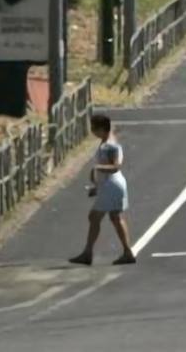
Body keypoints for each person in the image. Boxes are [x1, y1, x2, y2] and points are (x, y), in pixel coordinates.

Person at [69, 113, 136, 265]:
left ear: (101, 129)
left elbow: (116, 166)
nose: (92, 131)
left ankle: (88, 253)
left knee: (96, 217)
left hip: (111, 185)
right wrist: (98, 187)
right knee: (114, 217)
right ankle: (126, 252)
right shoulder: (108, 141)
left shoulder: (109, 145)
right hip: (109, 185)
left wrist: (96, 168)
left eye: (94, 128)